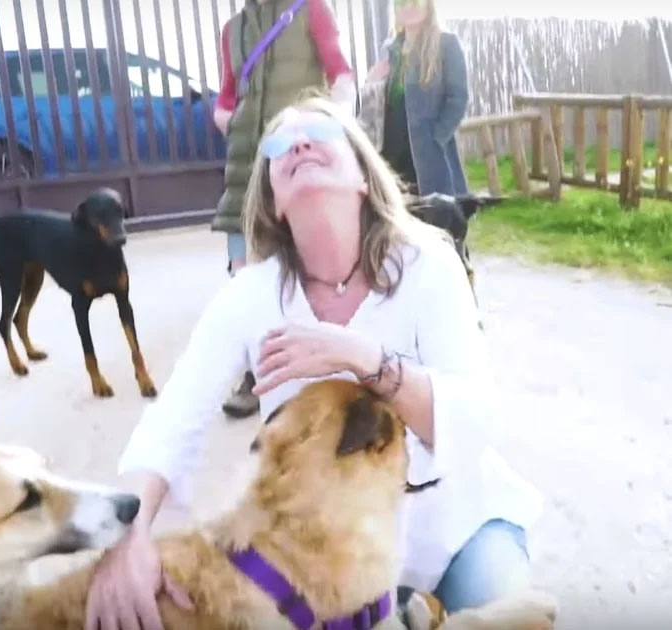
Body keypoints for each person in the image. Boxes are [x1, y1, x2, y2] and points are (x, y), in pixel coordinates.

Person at [83, 95, 544, 630]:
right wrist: (126, 535)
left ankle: (423, 608)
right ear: (275, 201)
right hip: (334, 565)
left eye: (321, 133)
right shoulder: (251, 295)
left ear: (363, 177)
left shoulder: (429, 264)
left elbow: (473, 418)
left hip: (459, 531)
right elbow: (172, 420)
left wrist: (363, 358)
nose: (299, 143)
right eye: (279, 145)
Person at [212, 0, 358, 420]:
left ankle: (327, 367)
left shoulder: (310, 9)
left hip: (295, 163)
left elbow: (340, 75)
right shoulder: (233, 30)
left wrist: (328, 134)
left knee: (304, 271)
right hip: (245, 172)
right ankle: (257, 373)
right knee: (246, 276)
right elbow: (227, 94)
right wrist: (228, 119)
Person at [366, 0, 470, 196]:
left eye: (415, 1)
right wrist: (372, 82)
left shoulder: (446, 44)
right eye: (402, 2)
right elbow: (376, 105)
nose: (408, 6)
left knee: (437, 209)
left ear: (428, 5)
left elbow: (458, 98)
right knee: (397, 210)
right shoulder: (390, 49)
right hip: (392, 152)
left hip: (428, 154)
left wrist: (437, 138)